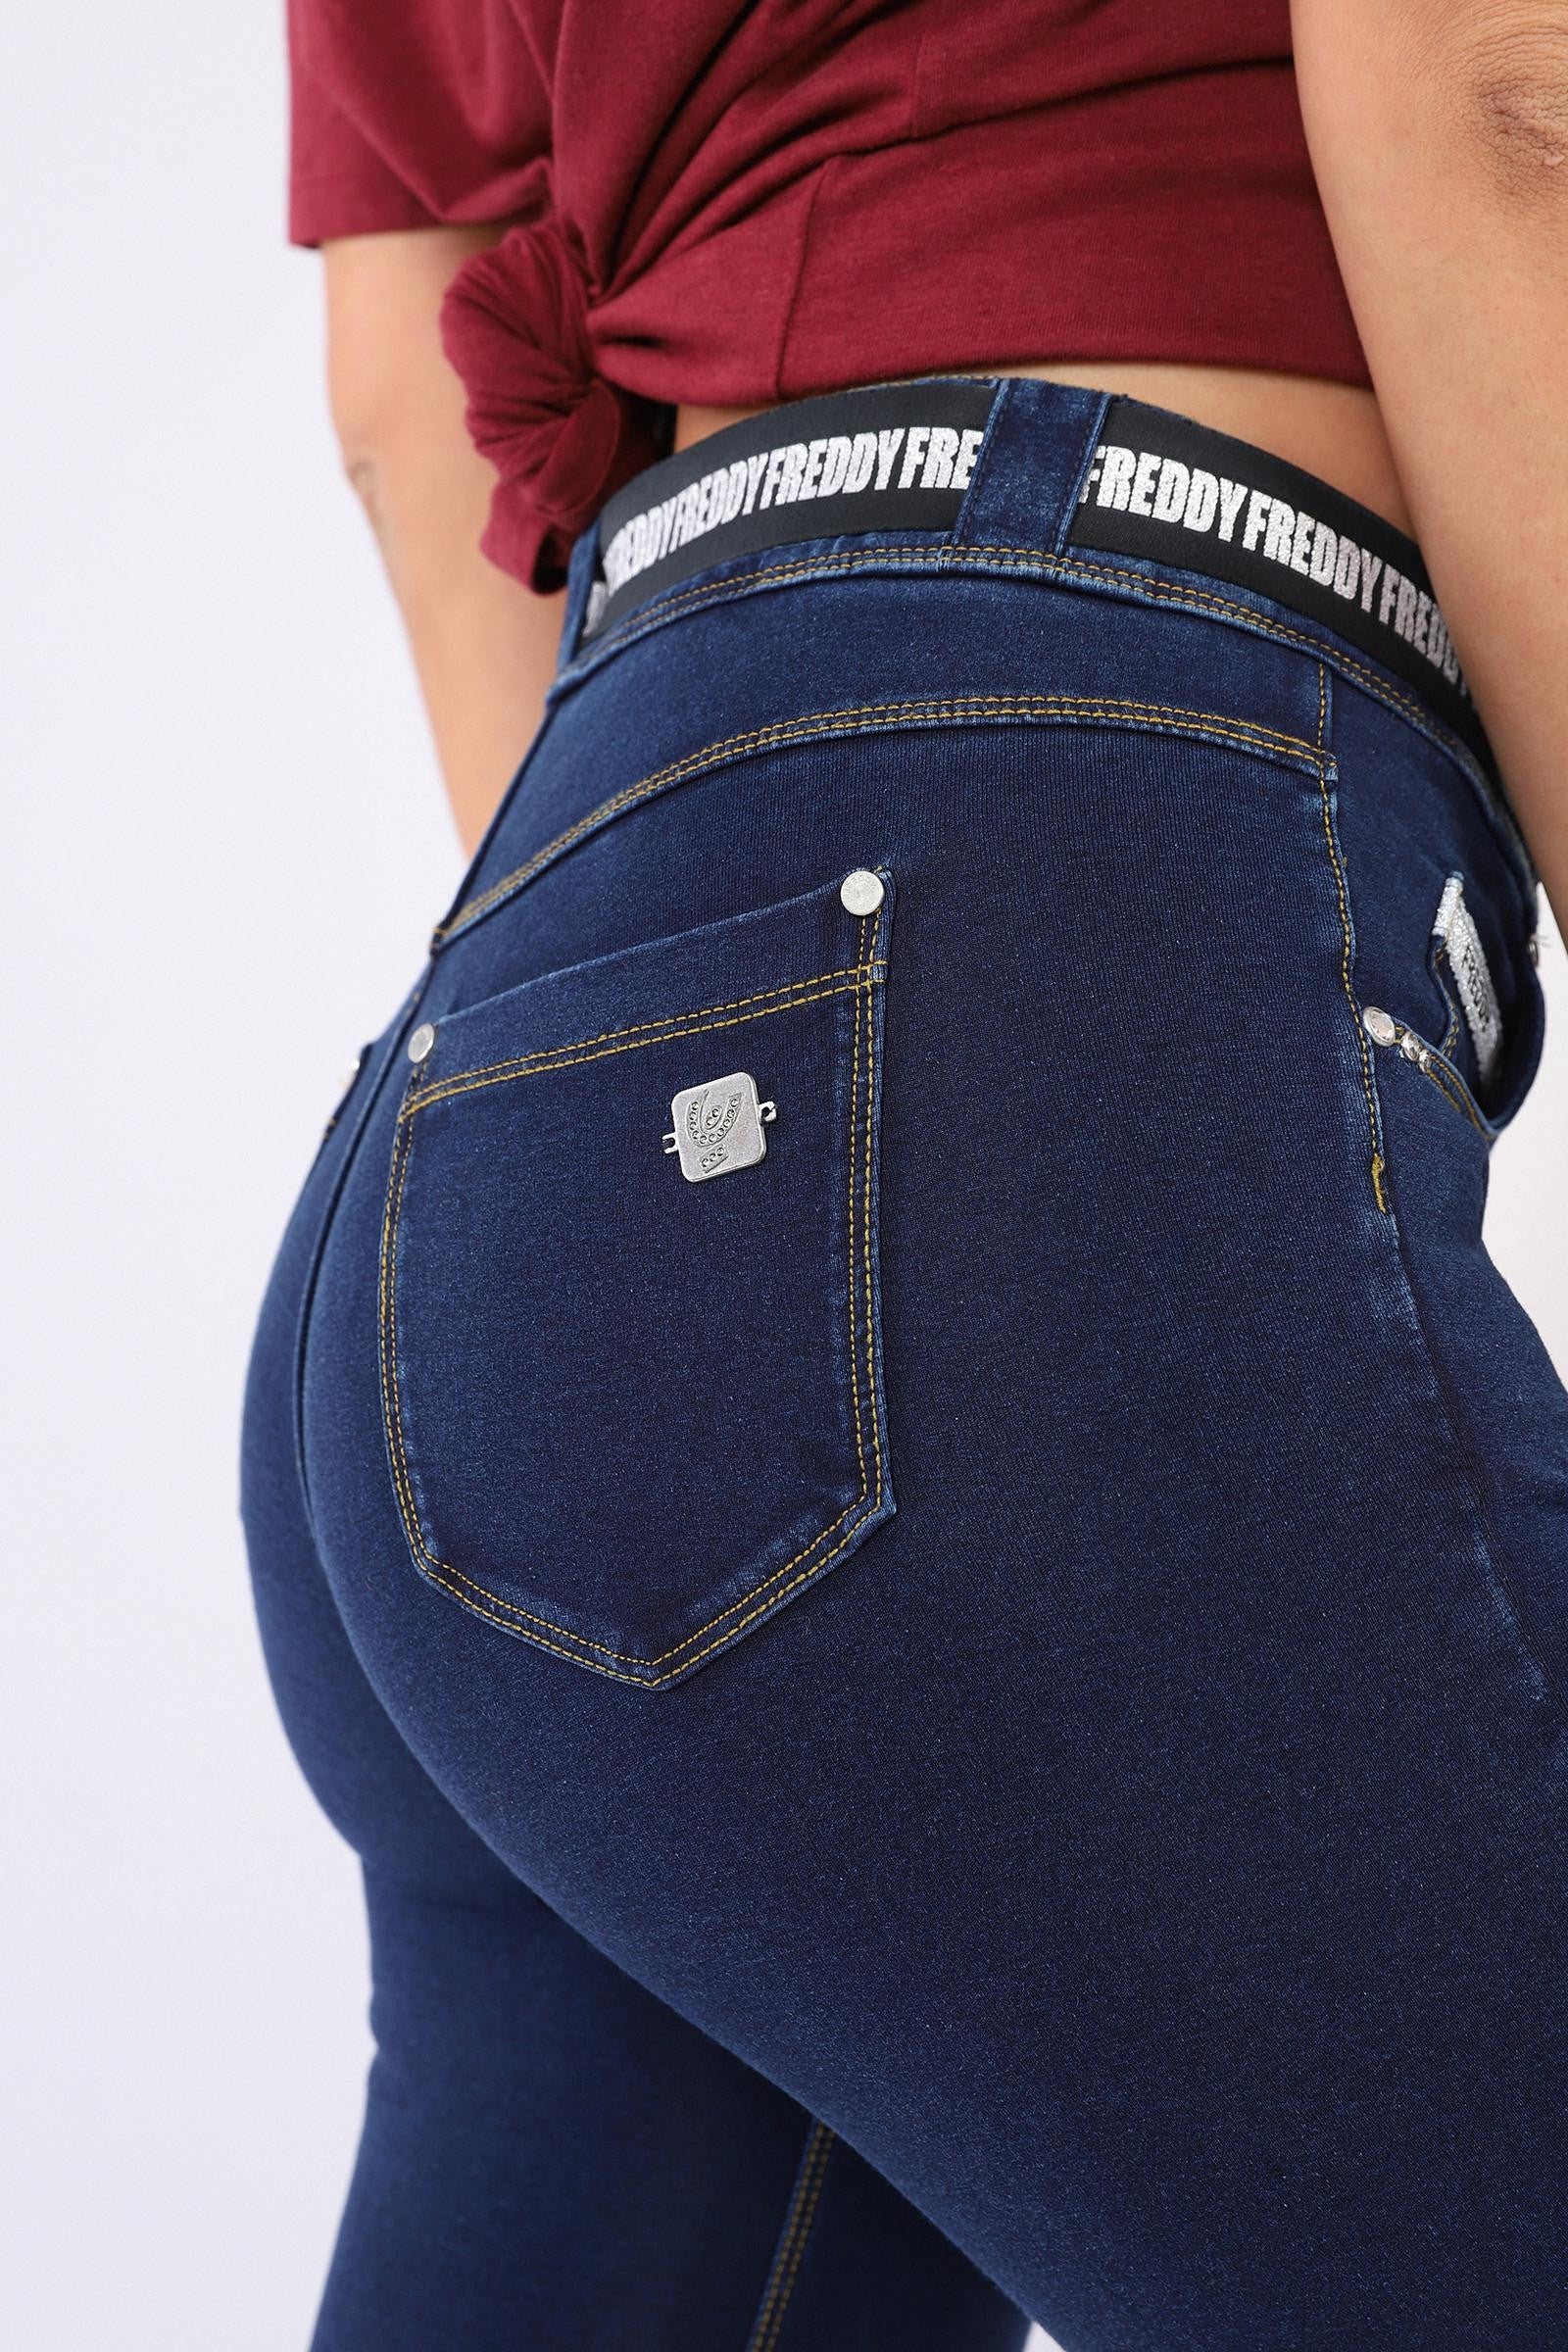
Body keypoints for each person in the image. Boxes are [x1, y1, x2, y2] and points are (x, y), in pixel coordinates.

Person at [242, 5, 1568, 2345]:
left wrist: (668, 1160)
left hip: (499, 1094)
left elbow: (401, 374)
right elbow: (1484, 88)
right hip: (1016, 994)